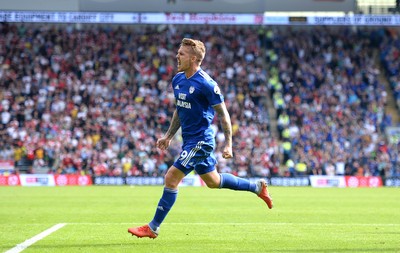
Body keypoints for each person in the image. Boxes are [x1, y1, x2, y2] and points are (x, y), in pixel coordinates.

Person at [128, 38, 273, 239]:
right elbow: (180, 109)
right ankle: (257, 187)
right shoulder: (177, 80)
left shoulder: (207, 84)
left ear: (194, 58)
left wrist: (229, 144)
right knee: (213, 181)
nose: (177, 56)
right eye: (178, 53)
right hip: (189, 140)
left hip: (201, 141)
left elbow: (223, 114)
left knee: (171, 177)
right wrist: (169, 135)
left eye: (182, 54)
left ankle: (153, 227)